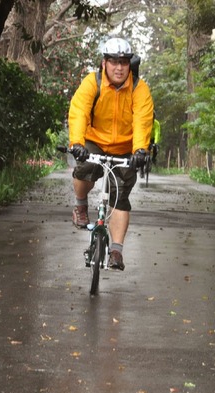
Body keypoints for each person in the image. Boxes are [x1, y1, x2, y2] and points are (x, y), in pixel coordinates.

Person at [68, 37, 154, 271]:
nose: (119, 68)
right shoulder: (92, 82)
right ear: (104, 63)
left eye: (124, 62)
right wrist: (77, 142)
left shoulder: (139, 88)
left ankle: (116, 250)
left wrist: (140, 150)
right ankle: (81, 206)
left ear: (130, 64)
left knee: (121, 194)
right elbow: (79, 112)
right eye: (114, 62)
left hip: (125, 148)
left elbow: (142, 120)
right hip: (94, 140)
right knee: (84, 169)